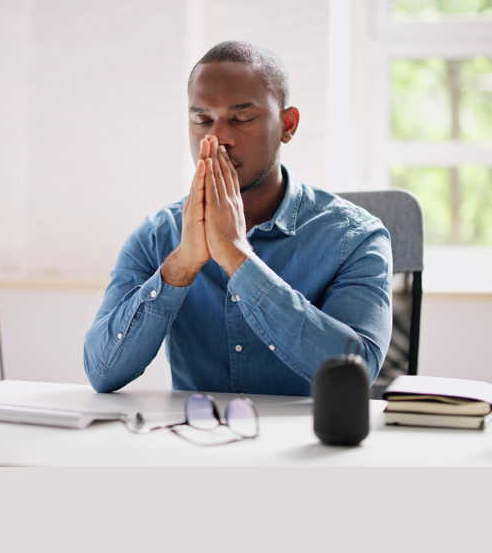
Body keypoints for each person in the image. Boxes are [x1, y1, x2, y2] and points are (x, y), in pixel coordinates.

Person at [84, 41, 392, 395]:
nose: (218, 138)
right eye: (202, 120)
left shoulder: (357, 237)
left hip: (307, 444)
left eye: (241, 118)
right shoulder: (157, 235)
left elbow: (355, 373)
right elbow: (102, 372)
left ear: (287, 125)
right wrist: (181, 266)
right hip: (197, 438)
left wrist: (236, 257)